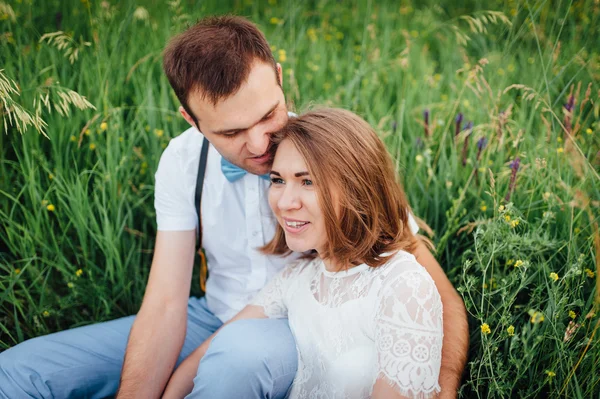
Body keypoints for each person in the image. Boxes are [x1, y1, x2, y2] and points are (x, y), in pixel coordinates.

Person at [0, 16, 467, 399]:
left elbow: (427, 287)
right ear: (192, 120)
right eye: (231, 133)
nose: (261, 143)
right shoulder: (182, 161)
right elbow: (165, 304)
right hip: (214, 314)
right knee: (18, 372)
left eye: (268, 114)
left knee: (236, 358)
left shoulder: (331, 152)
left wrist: (439, 387)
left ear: (280, 78)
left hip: (299, 328)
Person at [163, 108, 444, 399]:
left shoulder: (403, 285)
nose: (285, 202)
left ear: (356, 189)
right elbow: (209, 351)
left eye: (307, 182)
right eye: (277, 180)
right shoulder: (298, 278)